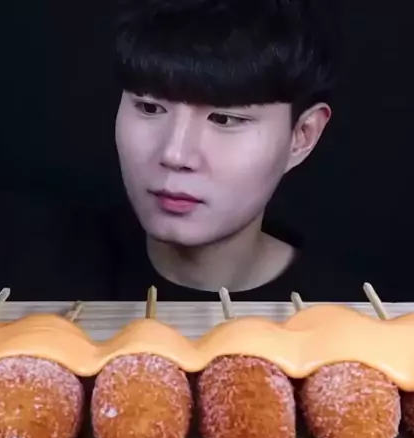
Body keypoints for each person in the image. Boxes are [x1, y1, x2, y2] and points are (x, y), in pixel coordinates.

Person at [111, 0, 366, 302]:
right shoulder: (59, 275)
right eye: (150, 108)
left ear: (302, 135)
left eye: (224, 119)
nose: (175, 155)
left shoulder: (351, 311)